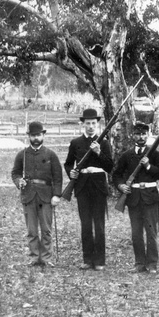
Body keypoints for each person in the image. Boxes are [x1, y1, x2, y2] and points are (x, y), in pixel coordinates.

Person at [64, 108, 114, 271]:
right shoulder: (76, 143)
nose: (91, 126)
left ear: (97, 124)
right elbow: (68, 163)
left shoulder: (104, 143)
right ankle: (87, 259)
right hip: (82, 186)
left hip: (99, 186)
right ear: (82, 124)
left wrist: (99, 152)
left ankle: (99, 261)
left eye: (93, 123)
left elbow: (110, 166)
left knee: (99, 225)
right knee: (86, 224)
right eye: (88, 123)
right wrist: (71, 173)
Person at [112, 121, 159, 273]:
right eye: (137, 134)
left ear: (148, 135)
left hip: (150, 197)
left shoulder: (154, 154)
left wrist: (148, 166)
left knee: (151, 232)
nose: (140, 137)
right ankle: (139, 263)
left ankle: (152, 263)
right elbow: (116, 175)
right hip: (134, 198)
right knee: (136, 233)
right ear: (132, 135)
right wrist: (121, 185)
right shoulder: (126, 155)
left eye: (143, 134)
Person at [11, 121, 63, 267]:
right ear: (29, 136)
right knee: (32, 230)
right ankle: (34, 257)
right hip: (28, 195)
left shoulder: (51, 155)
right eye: (33, 135)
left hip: (46, 196)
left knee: (46, 229)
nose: (36, 138)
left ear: (43, 135)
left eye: (38, 135)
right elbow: (15, 172)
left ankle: (46, 258)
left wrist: (56, 195)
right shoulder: (23, 155)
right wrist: (18, 181)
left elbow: (58, 177)